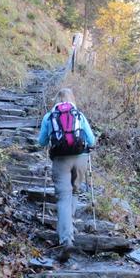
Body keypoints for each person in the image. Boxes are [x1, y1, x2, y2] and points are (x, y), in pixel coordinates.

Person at [38, 88, 96, 262]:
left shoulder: (50, 116)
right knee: (75, 192)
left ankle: (66, 239)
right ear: (72, 99)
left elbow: (41, 141)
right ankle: (68, 226)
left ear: (56, 99)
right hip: (81, 158)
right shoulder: (79, 114)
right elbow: (91, 140)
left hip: (60, 160)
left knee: (63, 197)